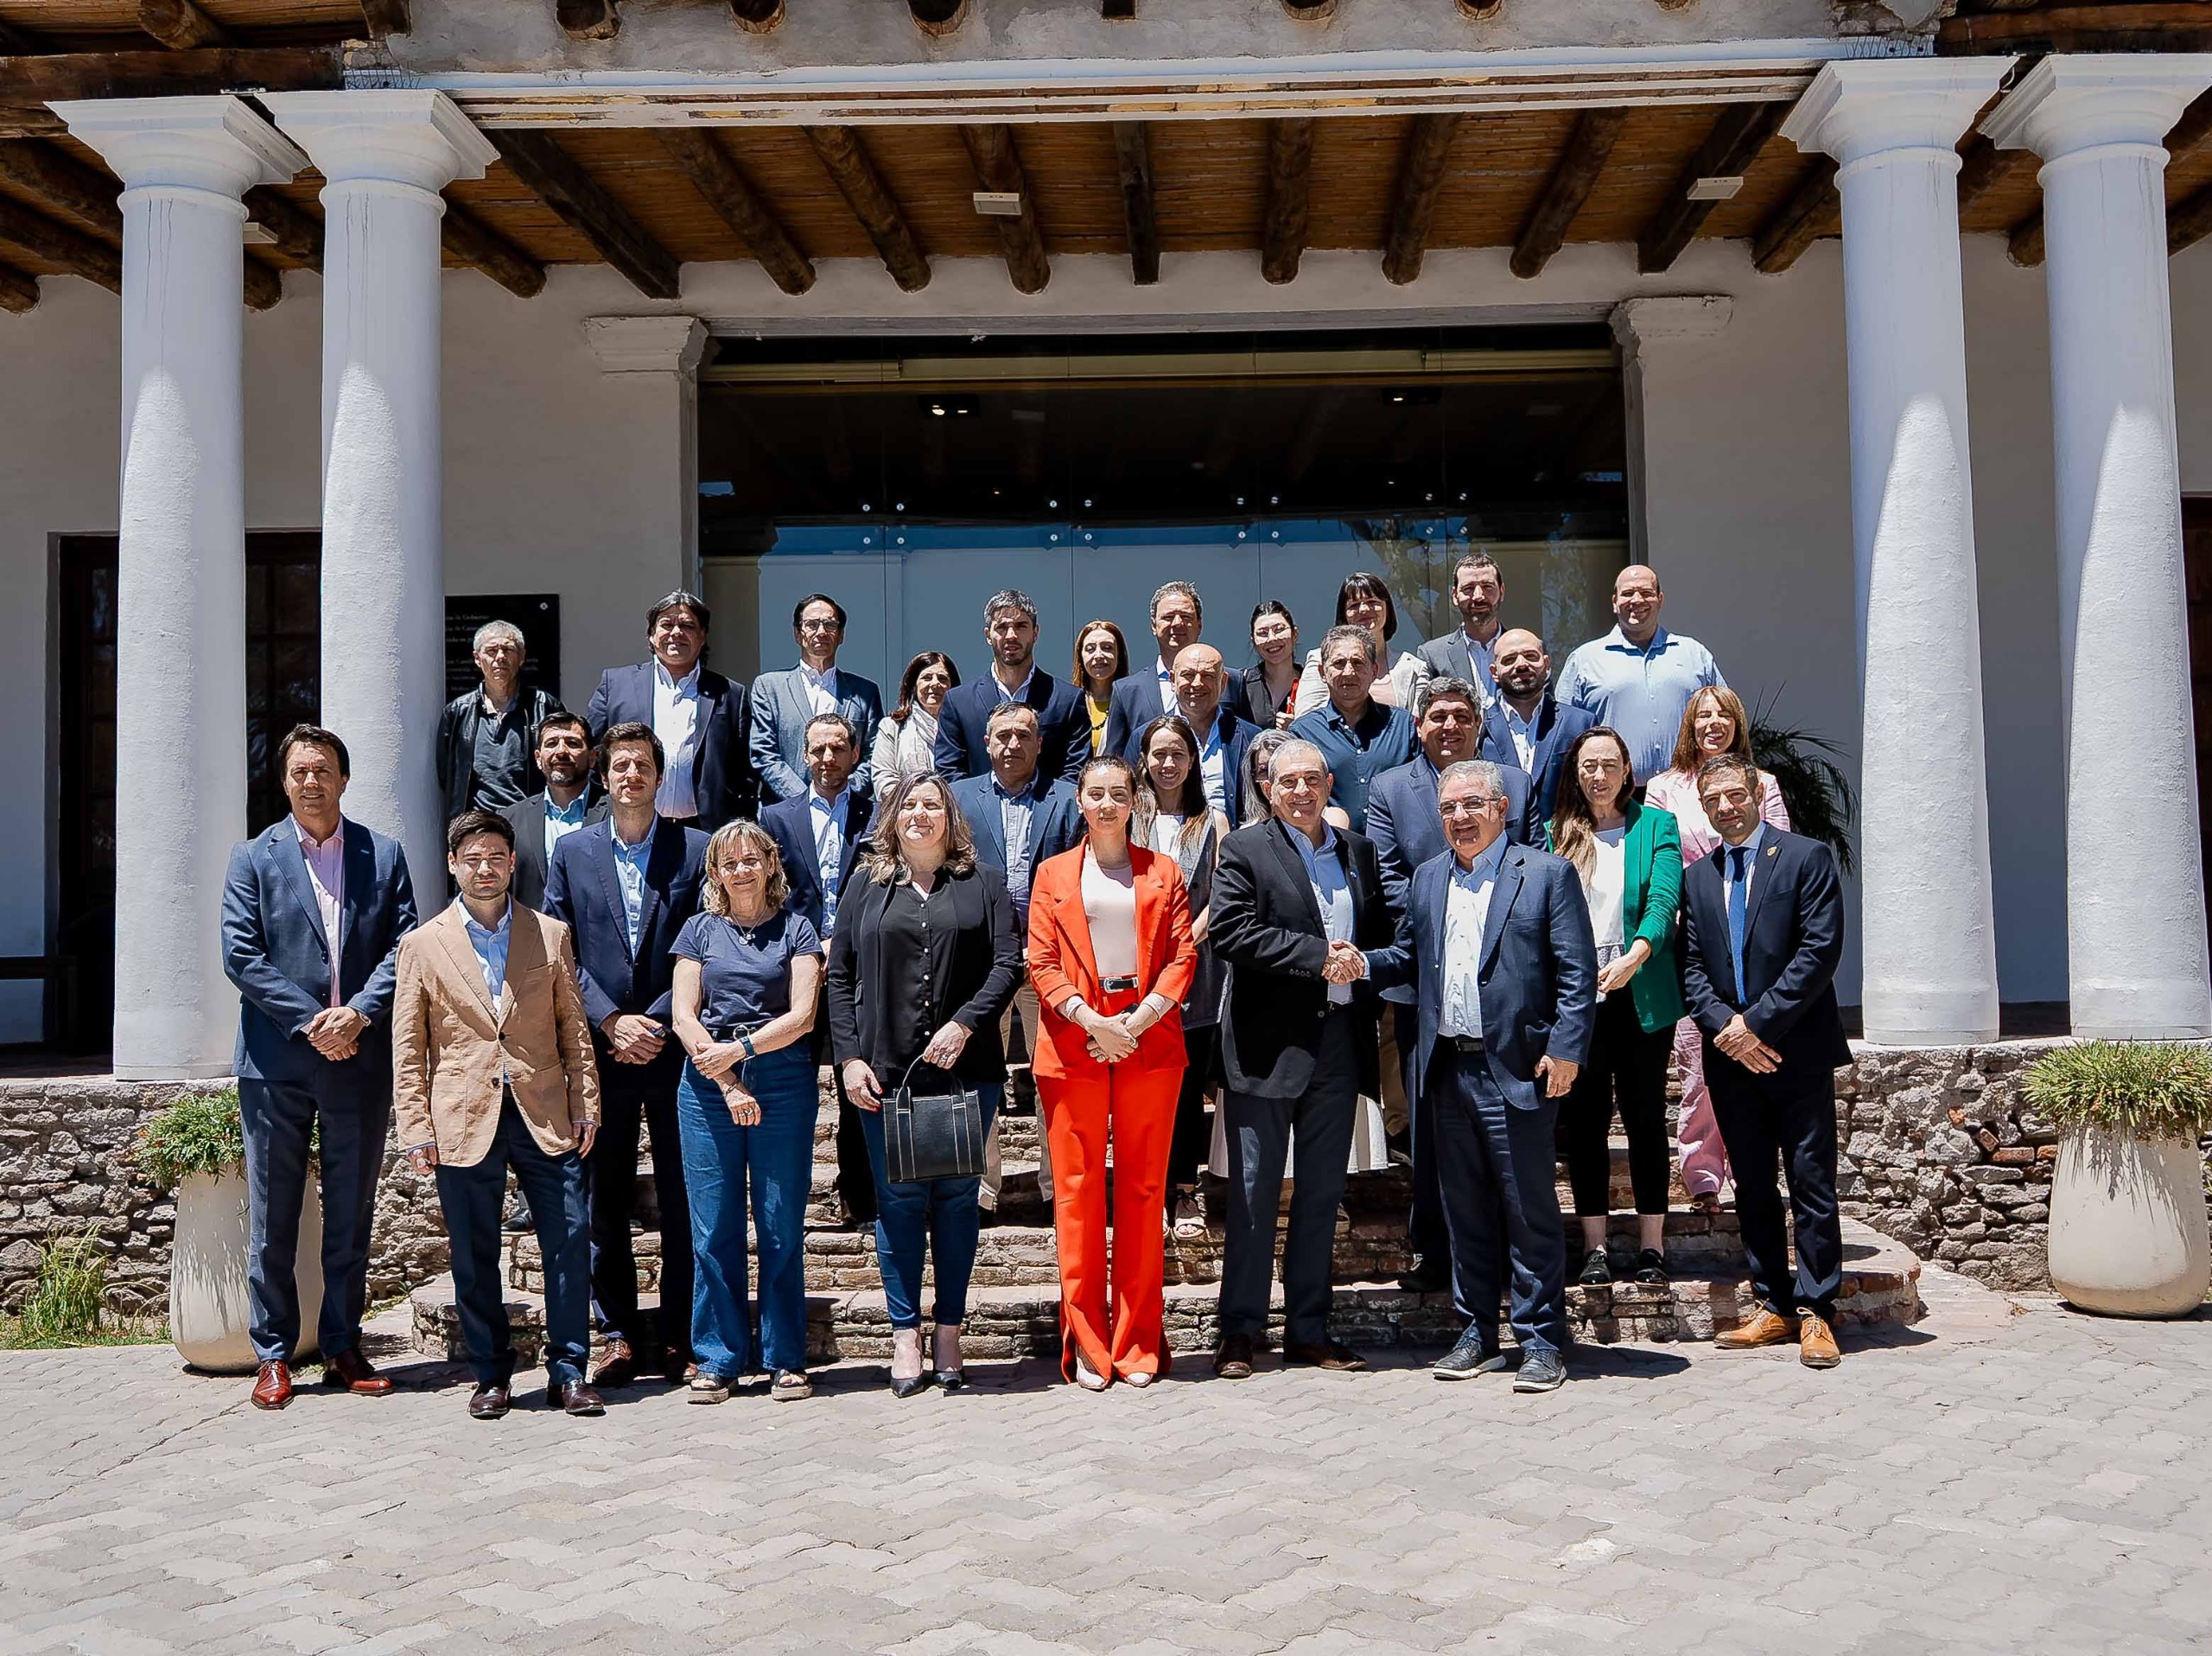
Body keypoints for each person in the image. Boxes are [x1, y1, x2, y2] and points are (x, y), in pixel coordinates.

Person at [1363, 761, 1596, 1394]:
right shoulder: (1428, 878)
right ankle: (1477, 1333)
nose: (1460, 818)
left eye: (1472, 805)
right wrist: (1357, 963)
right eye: (1448, 808)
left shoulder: (1545, 874)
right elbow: (1407, 957)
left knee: (1529, 1211)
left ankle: (1541, 1340)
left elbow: (1576, 973)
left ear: (1501, 808)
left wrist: (1566, 1050)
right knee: (1463, 1210)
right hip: (1446, 1069)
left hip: (1517, 1071)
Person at [219, 724, 419, 1411]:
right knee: (273, 1215)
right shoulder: (253, 857)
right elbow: (241, 955)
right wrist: (312, 1021)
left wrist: (358, 1014)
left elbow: (404, 946)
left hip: (357, 1058)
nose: (312, 781)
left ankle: (342, 1345)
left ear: (343, 779)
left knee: (351, 1214)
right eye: (300, 771)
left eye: (324, 770)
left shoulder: (382, 854)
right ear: (284, 782)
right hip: (276, 1062)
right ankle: (274, 1355)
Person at [391, 811, 601, 1420]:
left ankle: (569, 1372)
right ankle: (490, 1374)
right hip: (461, 1116)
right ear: (453, 865)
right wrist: (415, 1128)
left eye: (495, 857)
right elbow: (409, 1045)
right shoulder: (422, 945)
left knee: (570, 1238)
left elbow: (573, 1028)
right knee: (473, 1250)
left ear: (513, 864)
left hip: (545, 1110)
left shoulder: (549, 934)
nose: (484, 868)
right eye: (472, 858)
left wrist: (586, 1103)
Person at [826, 771, 1023, 1396]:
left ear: (949, 816)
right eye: (908, 804)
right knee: (900, 1202)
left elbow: (1007, 964)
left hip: (965, 1070)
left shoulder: (982, 882)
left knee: (958, 1200)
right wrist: (848, 1059)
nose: (919, 814)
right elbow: (839, 977)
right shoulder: (867, 884)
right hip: (886, 1071)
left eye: (931, 804)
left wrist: (965, 1023)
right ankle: (905, 1332)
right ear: (893, 817)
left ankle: (950, 1330)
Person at [1208, 738, 1394, 1379]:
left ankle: (1309, 1330)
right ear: (1268, 789)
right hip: (1267, 1046)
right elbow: (1230, 931)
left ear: (1328, 784)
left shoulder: (1357, 851)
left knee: (1322, 1194)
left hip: (1339, 1042)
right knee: (1254, 1194)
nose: (1301, 791)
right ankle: (1240, 1331)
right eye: (1288, 781)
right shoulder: (1244, 849)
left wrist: (1362, 963)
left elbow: (1379, 936)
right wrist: (1318, 957)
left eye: (1313, 779)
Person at [544, 722, 709, 1389]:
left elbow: (706, 941)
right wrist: (612, 1020)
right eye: (620, 766)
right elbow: (559, 949)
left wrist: (659, 1020)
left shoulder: (696, 850)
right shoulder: (572, 852)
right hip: (600, 1052)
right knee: (602, 1200)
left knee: (682, 1197)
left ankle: (678, 1336)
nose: (631, 775)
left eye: (643, 765)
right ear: (604, 776)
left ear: (660, 777)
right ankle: (613, 1334)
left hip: (676, 1050)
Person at [1027, 755, 1198, 1389]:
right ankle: (1089, 1347)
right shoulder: (1052, 873)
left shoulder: (1164, 871)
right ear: (1079, 800)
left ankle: (1138, 1343)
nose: (1106, 805)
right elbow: (1041, 961)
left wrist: (1135, 1022)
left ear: (1134, 802)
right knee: (1076, 1195)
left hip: (1148, 1037)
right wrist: (1093, 1022)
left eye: (1118, 794)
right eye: (1095, 794)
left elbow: (1182, 957)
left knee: (1144, 1193)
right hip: (1075, 1041)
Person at [1681, 754, 1852, 1370]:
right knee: (1752, 1183)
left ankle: (1817, 1311)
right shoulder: (1698, 878)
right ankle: (1773, 1305)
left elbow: (1819, 950)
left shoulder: (1806, 858)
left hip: (1795, 1050)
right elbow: (1690, 967)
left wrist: (1756, 1025)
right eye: (1713, 801)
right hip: (1730, 1058)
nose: (1725, 807)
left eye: (1734, 794)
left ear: (1756, 793)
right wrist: (1728, 1029)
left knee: (1810, 1181)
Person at [1362, 676, 1532, 1294]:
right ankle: (1436, 1252)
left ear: (1478, 723)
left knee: (1507, 1132)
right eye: (1437, 716)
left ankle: (1511, 1258)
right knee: (1434, 1130)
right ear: (1418, 725)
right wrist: (1438, 927)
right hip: (1422, 986)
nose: (1449, 726)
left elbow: (1531, 868)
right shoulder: (1390, 789)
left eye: (1461, 715)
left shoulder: (1514, 783)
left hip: (1506, 988)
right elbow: (1387, 877)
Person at [670, 821, 824, 1404]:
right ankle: (718, 1358)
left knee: (780, 1224)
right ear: (715, 872)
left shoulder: (798, 929)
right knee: (714, 1227)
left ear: (771, 863)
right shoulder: (698, 931)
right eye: (729, 863)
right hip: (707, 1085)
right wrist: (728, 1078)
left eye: (751, 860)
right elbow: (684, 1015)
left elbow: (803, 1016)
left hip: (781, 1080)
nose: (741, 871)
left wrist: (741, 1052)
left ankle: (785, 1359)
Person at [1548, 727, 1686, 1290]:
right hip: (1580, 1000)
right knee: (1585, 1125)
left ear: (1627, 770)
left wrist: (1637, 953)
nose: (1598, 775)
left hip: (1640, 992)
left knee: (1645, 1118)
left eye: (1608, 764)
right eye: (1588, 766)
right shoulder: (1557, 832)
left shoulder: (1656, 825)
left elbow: (1664, 899)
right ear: (1576, 774)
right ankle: (1595, 1246)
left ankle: (1653, 1246)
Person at [1644, 685, 1792, 1210]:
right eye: (1703, 715)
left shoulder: (1764, 783)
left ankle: (1751, 1172)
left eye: (1723, 715)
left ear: (1737, 724)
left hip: (1753, 940)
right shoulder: (1663, 788)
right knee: (1699, 1064)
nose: (1713, 724)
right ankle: (1703, 1174)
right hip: (1694, 937)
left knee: (1755, 1053)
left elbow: (1779, 856)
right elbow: (1660, 861)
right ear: (1690, 724)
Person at [949, 703, 1083, 1211]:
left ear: (1040, 743)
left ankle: (1056, 1193)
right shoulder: (959, 799)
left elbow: (1081, 878)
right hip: (981, 963)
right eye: (1002, 735)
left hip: (1054, 961)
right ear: (986, 743)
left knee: (1056, 1079)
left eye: (1023, 735)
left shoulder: (1068, 799)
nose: (1012, 745)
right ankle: (981, 1194)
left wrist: (1040, 945)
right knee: (978, 1077)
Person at [760, 711, 878, 1230]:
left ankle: (859, 1197)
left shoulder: (877, 815)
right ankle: (788, 1199)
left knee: (858, 1081)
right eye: (818, 749)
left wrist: (842, 942)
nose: (828, 758)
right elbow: (770, 894)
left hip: (860, 967)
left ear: (855, 755)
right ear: (803, 755)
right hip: (795, 969)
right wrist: (809, 947)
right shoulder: (775, 818)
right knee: (793, 1087)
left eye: (838, 748)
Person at [1134, 714, 1232, 1240]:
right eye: (1159, 754)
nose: (1168, 763)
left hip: (1197, 968)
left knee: (1189, 1086)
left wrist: (1184, 941)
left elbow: (1223, 894)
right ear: (1144, 761)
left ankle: (1184, 1189)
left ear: (1193, 761)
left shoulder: (1212, 822)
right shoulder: (1128, 818)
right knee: (1144, 1088)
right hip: (1135, 968)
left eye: (1178, 753)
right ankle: (1147, 1190)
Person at [585, 589, 756, 831]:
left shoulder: (730, 694)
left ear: (703, 635)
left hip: (706, 829)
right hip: (631, 826)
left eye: (687, 625)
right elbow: (592, 755)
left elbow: (744, 771)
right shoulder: (616, 685)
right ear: (651, 635)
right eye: (667, 624)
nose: (676, 632)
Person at [1554, 564, 1726, 784]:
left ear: (1660, 599)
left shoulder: (1694, 654)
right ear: (1614, 602)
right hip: (1613, 793)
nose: (1637, 600)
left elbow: (1727, 715)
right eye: (1628, 593)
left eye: (1646, 593)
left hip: (1688, 789)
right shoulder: (1584, 659)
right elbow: (1563, 733)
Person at [933, 588, 1091, 783]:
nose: (1011, 635)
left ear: (1035, 633)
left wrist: (1045, 802)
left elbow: (1077, 771)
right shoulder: (958, 702)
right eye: (1001, 627)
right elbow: (949, 771)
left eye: (1021, 626)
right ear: (988, 635)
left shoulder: (1068, 700)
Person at [748, 593, 885, 806]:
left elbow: (874, 755)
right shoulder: (769, 687)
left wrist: (843, 794)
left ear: (841, 635)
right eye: (812, 625)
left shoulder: (865, 692)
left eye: (830, 625)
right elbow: (764, 753)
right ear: (797, 634)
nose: (821, 632)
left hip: (847, 811)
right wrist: (806, 800)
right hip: (786, 811)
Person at [1287, 624, 1420, 835]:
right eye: (1339, 663)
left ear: (1374, 671)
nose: (1349, 672)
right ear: (1322, 672)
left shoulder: (1405, 726)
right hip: (1333, 850)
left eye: (1358, 663)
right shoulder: (1303, 733)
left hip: (1398, 849)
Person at [1103, 581, 1253, 757]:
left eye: (1186, 616)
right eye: (1168, 617)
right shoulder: (1127, 691)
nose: (1177, 623)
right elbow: (1116, 760)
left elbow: (1247, 742)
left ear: (1199, 624)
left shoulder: (1233, 681)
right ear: (1153, 625)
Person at [436, 619, 564, 823]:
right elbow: (447, 773)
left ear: (521, 657)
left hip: (529, 821)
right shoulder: (457, 712)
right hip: (476, 823)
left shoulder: (544, 705)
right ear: (477, 658)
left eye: (508, 650)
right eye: (491, 651)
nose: (500, 657)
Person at [1126, 643, 1259, 829]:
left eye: (1208, 675)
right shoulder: (1144, 737)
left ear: (1223, 682)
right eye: (1188, 675)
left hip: (1233, 841)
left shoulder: (1250, 738)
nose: (1197, 683)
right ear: (1172, 680)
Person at [1479, 628, 1596, 826]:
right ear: (1494, 672)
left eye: (1531, 656)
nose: (1521, 664)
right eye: (1509, 660)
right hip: (1502, 842)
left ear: (1547, 664)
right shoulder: (1479, 727)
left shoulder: (1581, 724)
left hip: (1566, 839)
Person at [499, 712, 605, 912]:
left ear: (592, 758)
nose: (561, 751)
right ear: (538, 758)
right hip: (532, 929)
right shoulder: (509, 820)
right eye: (551, 743)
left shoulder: (615, 815)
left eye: (572, 743)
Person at [1290, 571, 1431, 717]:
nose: (1364, 609)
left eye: (1373, 602)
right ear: (1344, 614)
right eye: (1354, 605)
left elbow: (1419, 724)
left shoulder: (1414, 667)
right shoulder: (1320, 660)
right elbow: (1306, 718)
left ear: (1387, 609)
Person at [1416, 553, 1506, 707]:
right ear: (1455, 596)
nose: (1478, 596)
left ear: (1502, 591)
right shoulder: (1432, 655)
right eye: (1468, 589)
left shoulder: (1528, 651)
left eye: (1487, 587)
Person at [873, 651, 958, 799]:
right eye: (927, 678)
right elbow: (884, 779)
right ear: (913, 686)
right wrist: (917, 802)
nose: (935, 683)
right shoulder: (892, 727)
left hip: (956, 808)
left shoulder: (962, 727)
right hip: (905, 809)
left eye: (943, 678)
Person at [1072, 618, 1130, 755]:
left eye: (1107, 648)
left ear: (1119, 655)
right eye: (1090, 649)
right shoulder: (1070, 705)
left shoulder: (1131, 703)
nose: (1098, 655)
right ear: (1081, 657)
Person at [1243, 600, 1302, 730]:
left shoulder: (1310, 683)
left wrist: (1298, 728)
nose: (1272, 638)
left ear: (1295, 634)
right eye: (1262, 633)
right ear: (1254, 642)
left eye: (1279, 630)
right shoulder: (1242, 684)